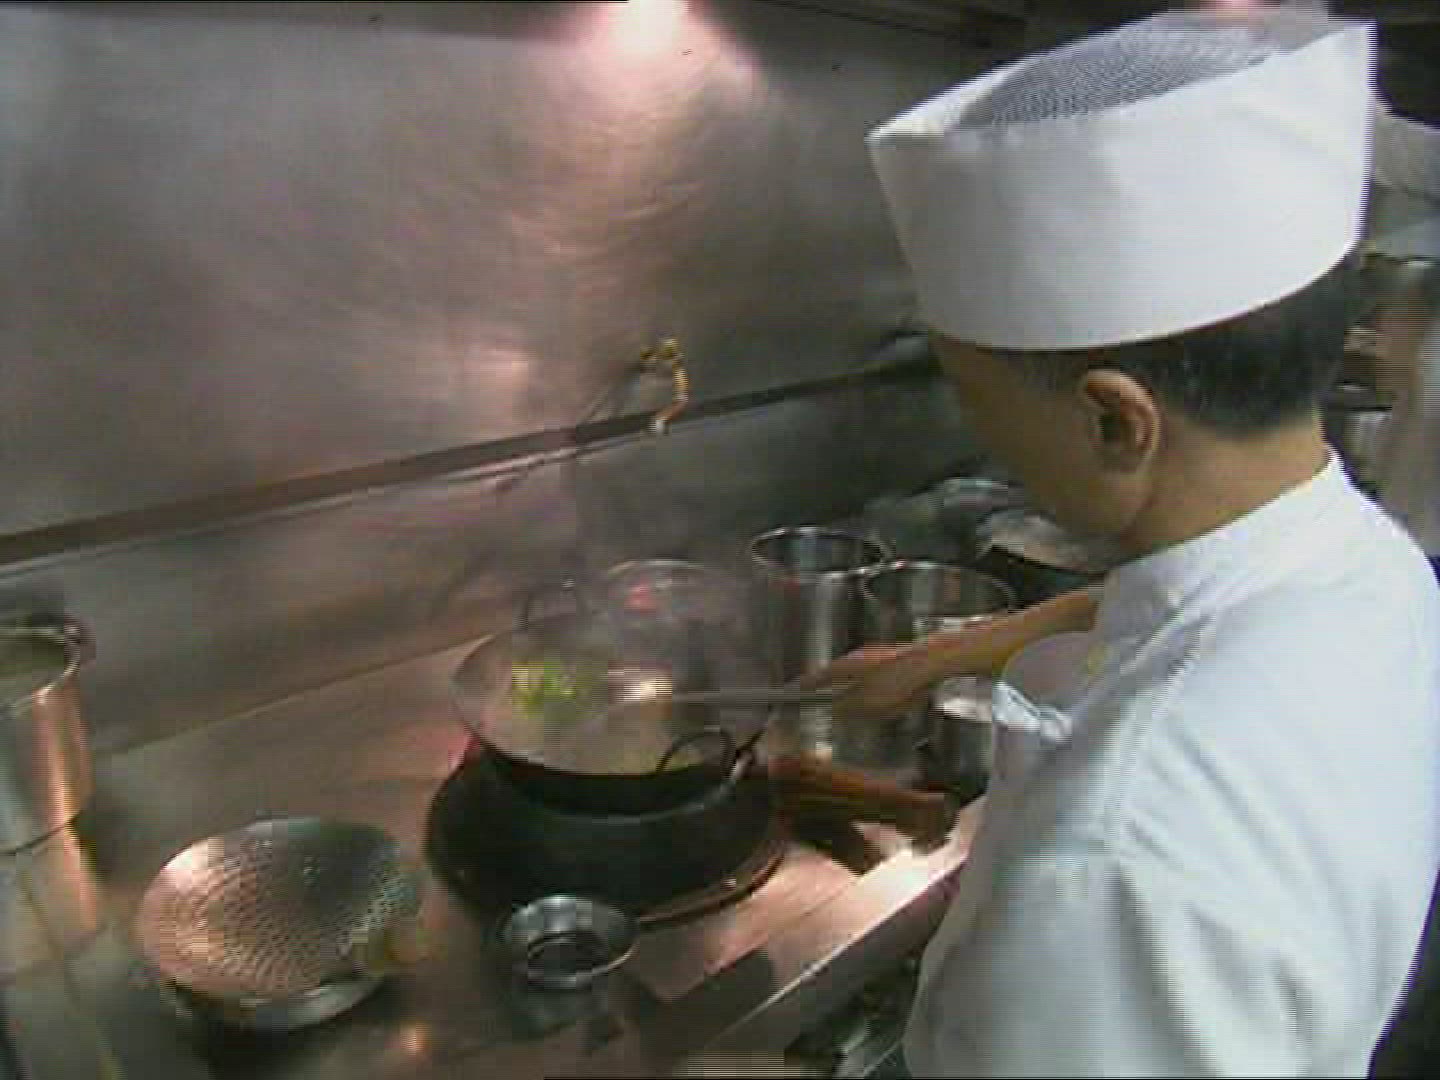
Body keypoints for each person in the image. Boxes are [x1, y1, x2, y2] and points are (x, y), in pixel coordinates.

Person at [804, 7, 1440, 1076]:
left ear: (1113, 420)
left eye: (977, 395)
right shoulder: (1366, 564)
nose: (986, 438)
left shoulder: (1116, 865)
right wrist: (932, 657)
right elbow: (1157, 610)